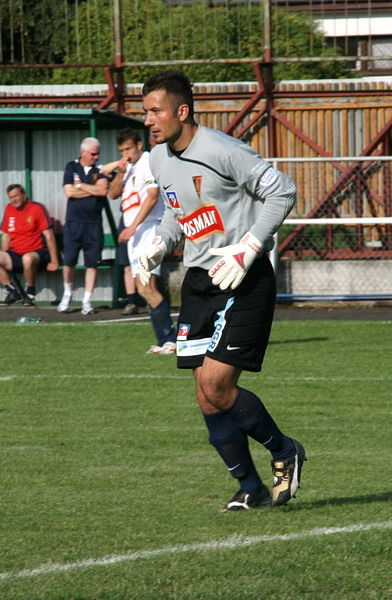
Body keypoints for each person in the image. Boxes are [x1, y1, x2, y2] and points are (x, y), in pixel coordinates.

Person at [137, 70, 305, 511]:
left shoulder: (223, 151)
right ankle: (249, 487)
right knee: (205, 395)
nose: (149, 120)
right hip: (198, 280)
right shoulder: (158, 158)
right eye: (145, 112)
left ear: (182, 111)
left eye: (156, 111)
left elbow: (283, 191)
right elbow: (182, 211)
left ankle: (285, 450)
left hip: (243, 278)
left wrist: (249, 248)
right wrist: (161, 242)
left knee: (216, 383)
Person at [102, 128, 177, 354]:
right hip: (135, 234)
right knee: (143, 288)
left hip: (148, 230)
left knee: (146, 286)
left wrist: (132, 226)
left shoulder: (147, 162)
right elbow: (113, 194)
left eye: (128, 149)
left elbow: (153, 197)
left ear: (139, 146)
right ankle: (164, 341)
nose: (125, 154)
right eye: (121, 150)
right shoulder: (129, 167)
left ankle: (171, 339)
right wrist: (120, 172)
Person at [0, 184, 59, 306]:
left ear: (24, 195)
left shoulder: (37, 208)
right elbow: (6, 235)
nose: (14, 199)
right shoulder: (9, 208)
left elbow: (49, 235)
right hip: (16, 253)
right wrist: (4, 254)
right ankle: (13, 291)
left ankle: (30, 292)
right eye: (11, 197)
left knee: (27, 258)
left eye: (16, 196)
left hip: (38, 252)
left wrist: (54, 261)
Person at [60, 137, 109, 314]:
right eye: (93, 154)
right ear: (83, 153)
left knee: (92, 264)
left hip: (94, 224)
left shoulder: (101, 169)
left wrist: (80, 185)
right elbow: (69, 192)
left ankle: (87, 301)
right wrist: (91, 189)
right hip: (74, 223)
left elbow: (103, 191)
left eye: (98, 154)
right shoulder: (71, 166)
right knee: (69, 262)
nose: (96, 158)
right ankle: (67, 293)